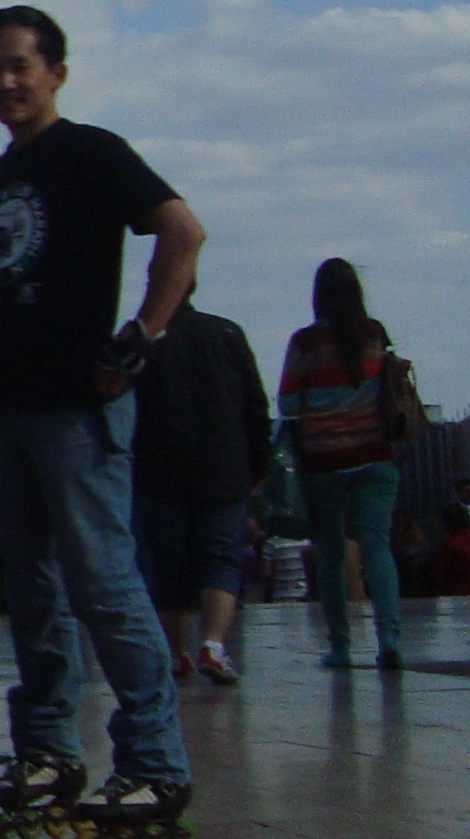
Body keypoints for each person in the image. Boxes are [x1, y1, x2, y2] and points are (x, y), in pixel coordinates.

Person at [0, 4, 205, 839]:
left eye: (20, 65)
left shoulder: (92, 153)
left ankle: (153, 761)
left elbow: (181, 230)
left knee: (102, 581)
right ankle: (49, 748)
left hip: (78, 407)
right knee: (32, 588)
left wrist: (141, 336)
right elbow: (5, 289)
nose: (5, 83)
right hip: (13, 406)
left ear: (57, 71)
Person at [131, 290, 270, 685]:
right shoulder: (226, 333)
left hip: (160, 472)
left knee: (168, 566)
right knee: (221, 560)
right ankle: (213, 645)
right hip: (224, 470)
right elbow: (255, 404)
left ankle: (178, 655)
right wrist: (257, 464)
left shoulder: (143, 339)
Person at [278, 258, 405, 672]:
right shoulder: (374, 334)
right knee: (378, 547)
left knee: (331, 554)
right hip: (375, 456)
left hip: (324, 463)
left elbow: (288, 403)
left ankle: (341, 647)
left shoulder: (305, 343)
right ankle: (389, 640)